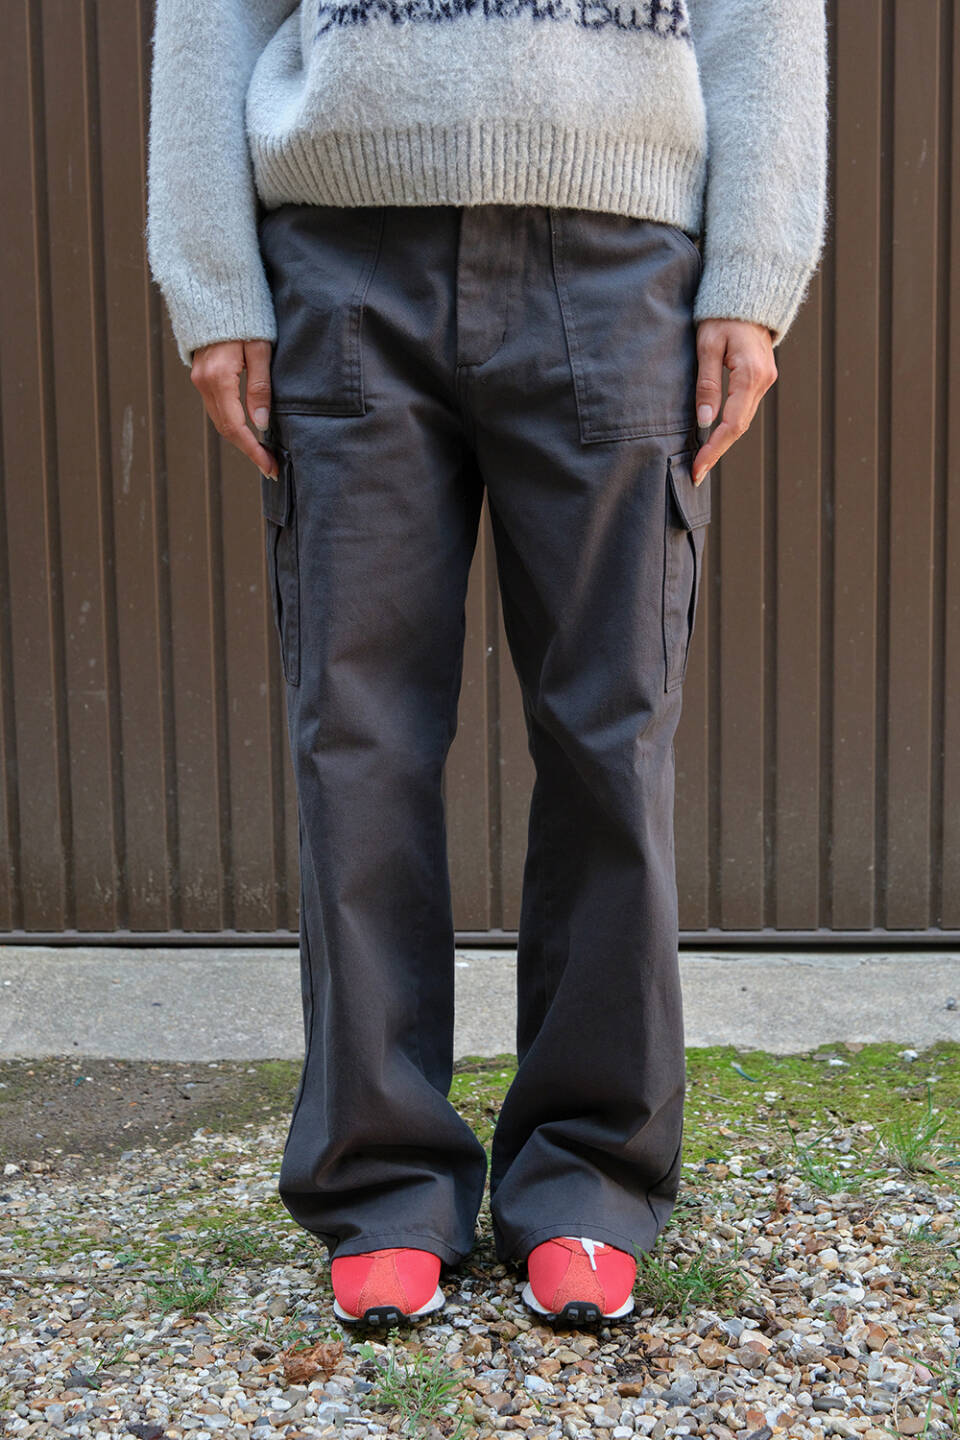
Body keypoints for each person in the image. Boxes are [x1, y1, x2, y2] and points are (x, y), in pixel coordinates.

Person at [146, 0, 829, 1328]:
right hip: (344, 251)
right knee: (358, 733)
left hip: (618, 251)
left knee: (611, 731)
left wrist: (754, 268)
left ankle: (590, 1176)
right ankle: (383, 1180)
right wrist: (212, 273)